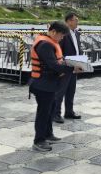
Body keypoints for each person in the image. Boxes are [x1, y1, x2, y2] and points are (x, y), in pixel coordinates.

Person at [29, 21, 79, 152]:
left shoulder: (50, 42)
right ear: (53, 32)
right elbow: (53, 65)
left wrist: (69, 65)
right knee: (43, 112)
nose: (62, 38)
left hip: (50, 83)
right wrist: (72, 68)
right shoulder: (44, 45)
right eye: (61, 35)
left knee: (50, 109)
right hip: (42, 84)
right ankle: (39, 140)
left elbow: (57, 62)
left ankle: (48, 134)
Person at [52, 13, 83, 123]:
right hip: (66, 66)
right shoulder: (63, 33)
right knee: (60, 91)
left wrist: (81, 62)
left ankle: (69, 112)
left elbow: (78, 48)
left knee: (71, 91)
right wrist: (62, 65)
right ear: (69, 21)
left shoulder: (76, 33)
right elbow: (59, 51)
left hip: (75, 66)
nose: (77, 22)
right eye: (75, 20)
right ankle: (56, 114)